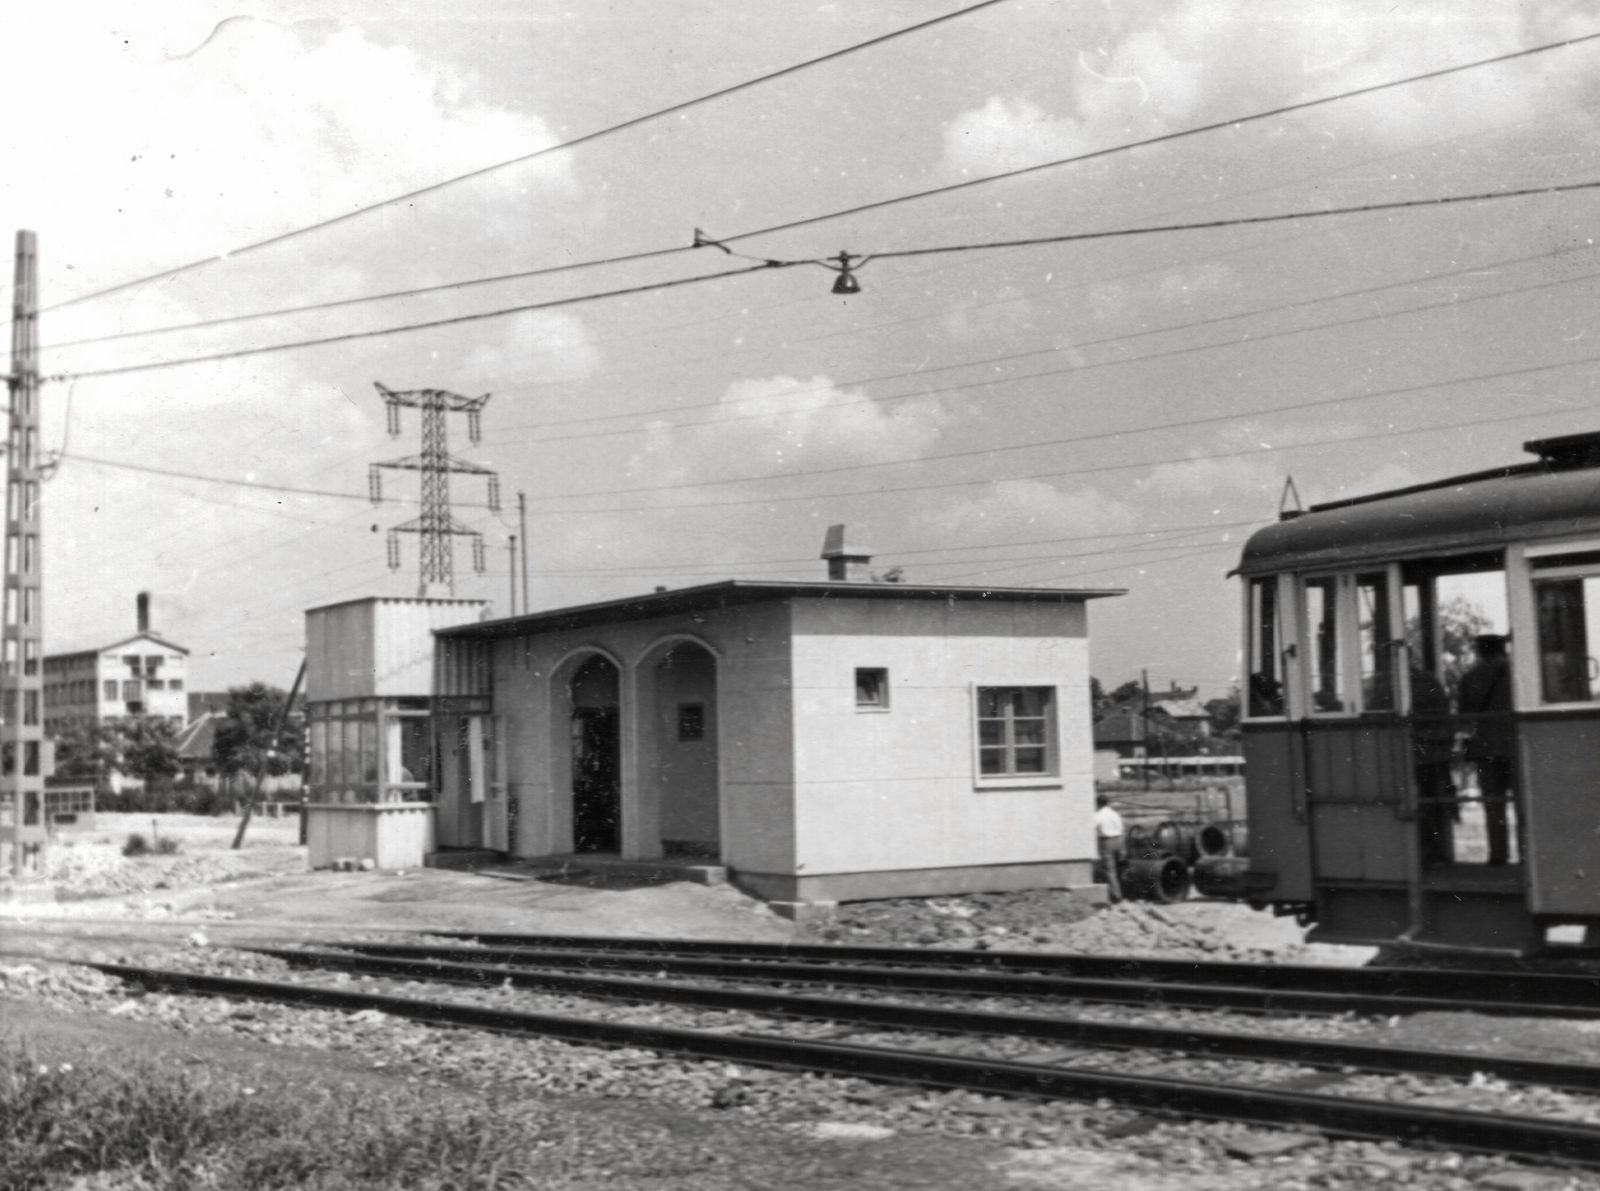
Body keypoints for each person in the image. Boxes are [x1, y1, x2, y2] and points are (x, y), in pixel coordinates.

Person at [1458, 634, 1516, 865]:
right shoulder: (1516, 673)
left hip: (1486, 750)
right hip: (1516, 748)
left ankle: (1498, 856)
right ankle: (1528, 857)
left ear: (1480, 651)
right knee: (1525, 804)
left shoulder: (1469, 678)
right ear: (1502, 649)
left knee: (1494, 808)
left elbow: (1465, 718)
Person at [1409, 664, 1457, 867]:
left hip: (1420, 753)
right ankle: (1439, 852)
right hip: (1439, 751)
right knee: (1437, 804)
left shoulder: (1400, 683)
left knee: (1423, 804)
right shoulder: (1430, 680)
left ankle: (1431, 852)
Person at [1094, 794, 1126, 904]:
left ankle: (1116, 896)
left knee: (1110, 870)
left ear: (1098, 803)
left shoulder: (1098, 815)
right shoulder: (1115, 814)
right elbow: (1121, 828)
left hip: (1107, 841)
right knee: (1119, 867)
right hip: (1119, 840)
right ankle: (1123, 890)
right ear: (1107, 803)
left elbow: (1093, 827)